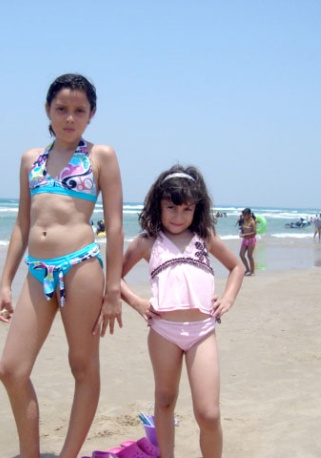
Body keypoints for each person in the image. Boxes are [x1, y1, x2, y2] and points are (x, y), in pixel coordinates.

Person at [0, 73, 123, 458]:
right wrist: (5, 282)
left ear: (91, 114)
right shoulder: (30, 159)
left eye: (79, 110)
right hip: (36, 269)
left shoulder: (101, 156)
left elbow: (115, 225)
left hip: (81, 267)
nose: (70, 117)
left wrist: (113, 289)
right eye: (61, 109)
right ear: (48, 111)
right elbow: (22, 222)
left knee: (82, 366)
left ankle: (68, 455)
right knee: (11, 369)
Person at [120, 165, 244, 458]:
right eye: (171, 208)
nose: (178, 216)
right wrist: (138, 303)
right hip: (163, 332)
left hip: (202, 332)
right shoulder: (147, 241)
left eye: (187, 209)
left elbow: (236, 267)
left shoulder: (205, 236)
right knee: (164, 401)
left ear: (197, 210)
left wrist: (227, 298)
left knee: (209, 413)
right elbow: (113, 278)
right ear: (158, 206)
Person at [238, 208, 257, 276]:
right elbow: (242, 228)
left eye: (245, 215)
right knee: (241, 254)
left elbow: (255, 233)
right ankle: (247, 269)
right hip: (245, 240)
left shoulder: (252, 222)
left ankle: (252, 271)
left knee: (249, 255)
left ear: (249, 215)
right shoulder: (244, 220)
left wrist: (245, 234)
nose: (244, 216)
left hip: (251, 240)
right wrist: (241, 232)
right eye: (243, 215)